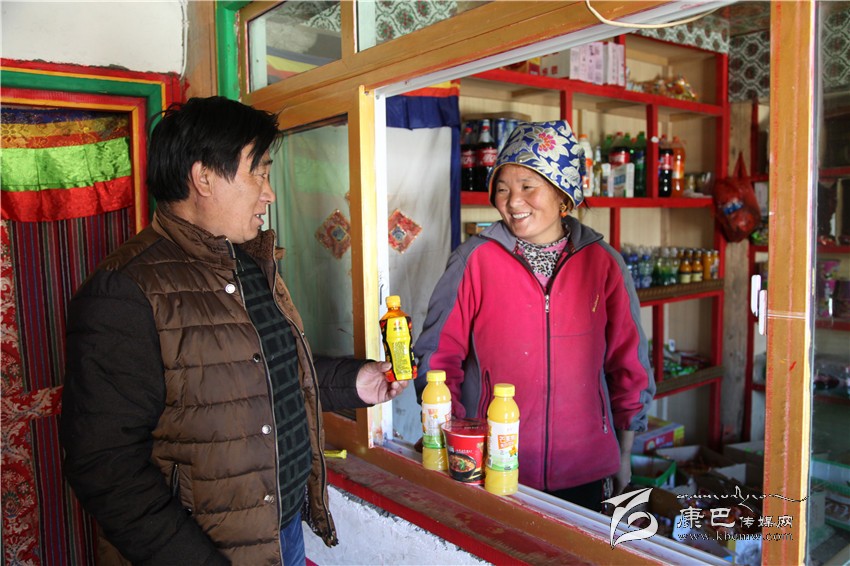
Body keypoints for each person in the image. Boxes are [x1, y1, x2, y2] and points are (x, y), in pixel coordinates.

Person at [59, 96, 407, 565]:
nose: (270, 194)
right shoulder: (127, 291)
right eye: (258, 173)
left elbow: (264, 375)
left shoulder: (247, 265)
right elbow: (105, 466)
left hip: (280, 534)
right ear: (204, 178)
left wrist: (357, 382)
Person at [414, 120, 654, 511]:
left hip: (586, 466)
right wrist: (451, 445)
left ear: (563, 195)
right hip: (492, 463)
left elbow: (629, 364)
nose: (513, 202)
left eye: (528, 186)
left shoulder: (603, 264)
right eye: (503, 188)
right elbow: (438, 359)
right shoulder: (473, 261)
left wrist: (624, 454)